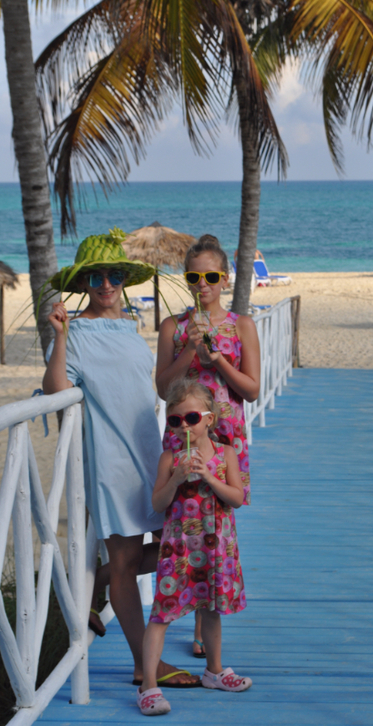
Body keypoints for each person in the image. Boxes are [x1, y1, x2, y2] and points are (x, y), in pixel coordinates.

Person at [43, 228, 200, 690]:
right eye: (96, 277)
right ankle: (142, 664)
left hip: (152, 452)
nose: (107, 284)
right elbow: (55, 390)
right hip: (111, 462)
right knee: (129, 561)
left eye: (114, 275)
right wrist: (59, 336)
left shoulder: (130, 326)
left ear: (125, 280)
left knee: (180, 545)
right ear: (83, 283)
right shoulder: (75, 333)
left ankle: (93, 583)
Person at [156, 234, 260, 658]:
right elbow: (163, 387)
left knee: (217, 522)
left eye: (212, 277)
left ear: (225, 278)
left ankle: (205, 621)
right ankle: (172, 608)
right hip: (183, 434)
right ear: (187, 279)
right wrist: (191, 350)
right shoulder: (173, 326)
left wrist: (217, 359)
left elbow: (251, 389)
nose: (203, 285)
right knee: (183, 522)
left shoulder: (241, 325)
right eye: (195, 277)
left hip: (226, 437)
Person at [137, 379, 252, 715]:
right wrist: (175, 479)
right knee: (162, 613)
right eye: (175, 420)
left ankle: (214, 671)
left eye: (191, 418)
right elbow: (158, 504)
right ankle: (148, 685)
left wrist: (209, 477)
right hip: (179, 549)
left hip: (216, 547)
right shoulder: (169, 458)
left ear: (209, 419)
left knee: (211, 609)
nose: (184, 427)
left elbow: (237, 498)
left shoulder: (225, 454)